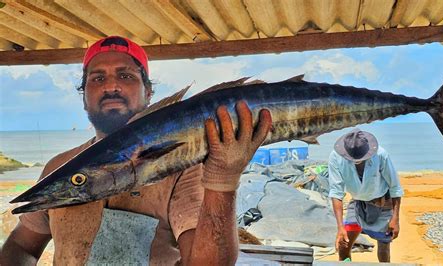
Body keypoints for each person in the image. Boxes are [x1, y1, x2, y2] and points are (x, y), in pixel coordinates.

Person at [0, 36, 272, 265]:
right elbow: (22, 246)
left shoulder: (182, 168)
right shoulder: (59, 167)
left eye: (125, 75)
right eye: (97, 78)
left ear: (149, 93)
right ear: (83, 96)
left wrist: (223, 180)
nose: (111, 86)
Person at [328, 128, 403, 262]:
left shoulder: (381, 155)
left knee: (384, 246)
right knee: (343, 244)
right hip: (357, 202)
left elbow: (395, 187)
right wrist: (340, 227)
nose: (357, 161)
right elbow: (336, 192)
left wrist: (395, 219)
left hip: (382, 202)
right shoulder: (335, 157)